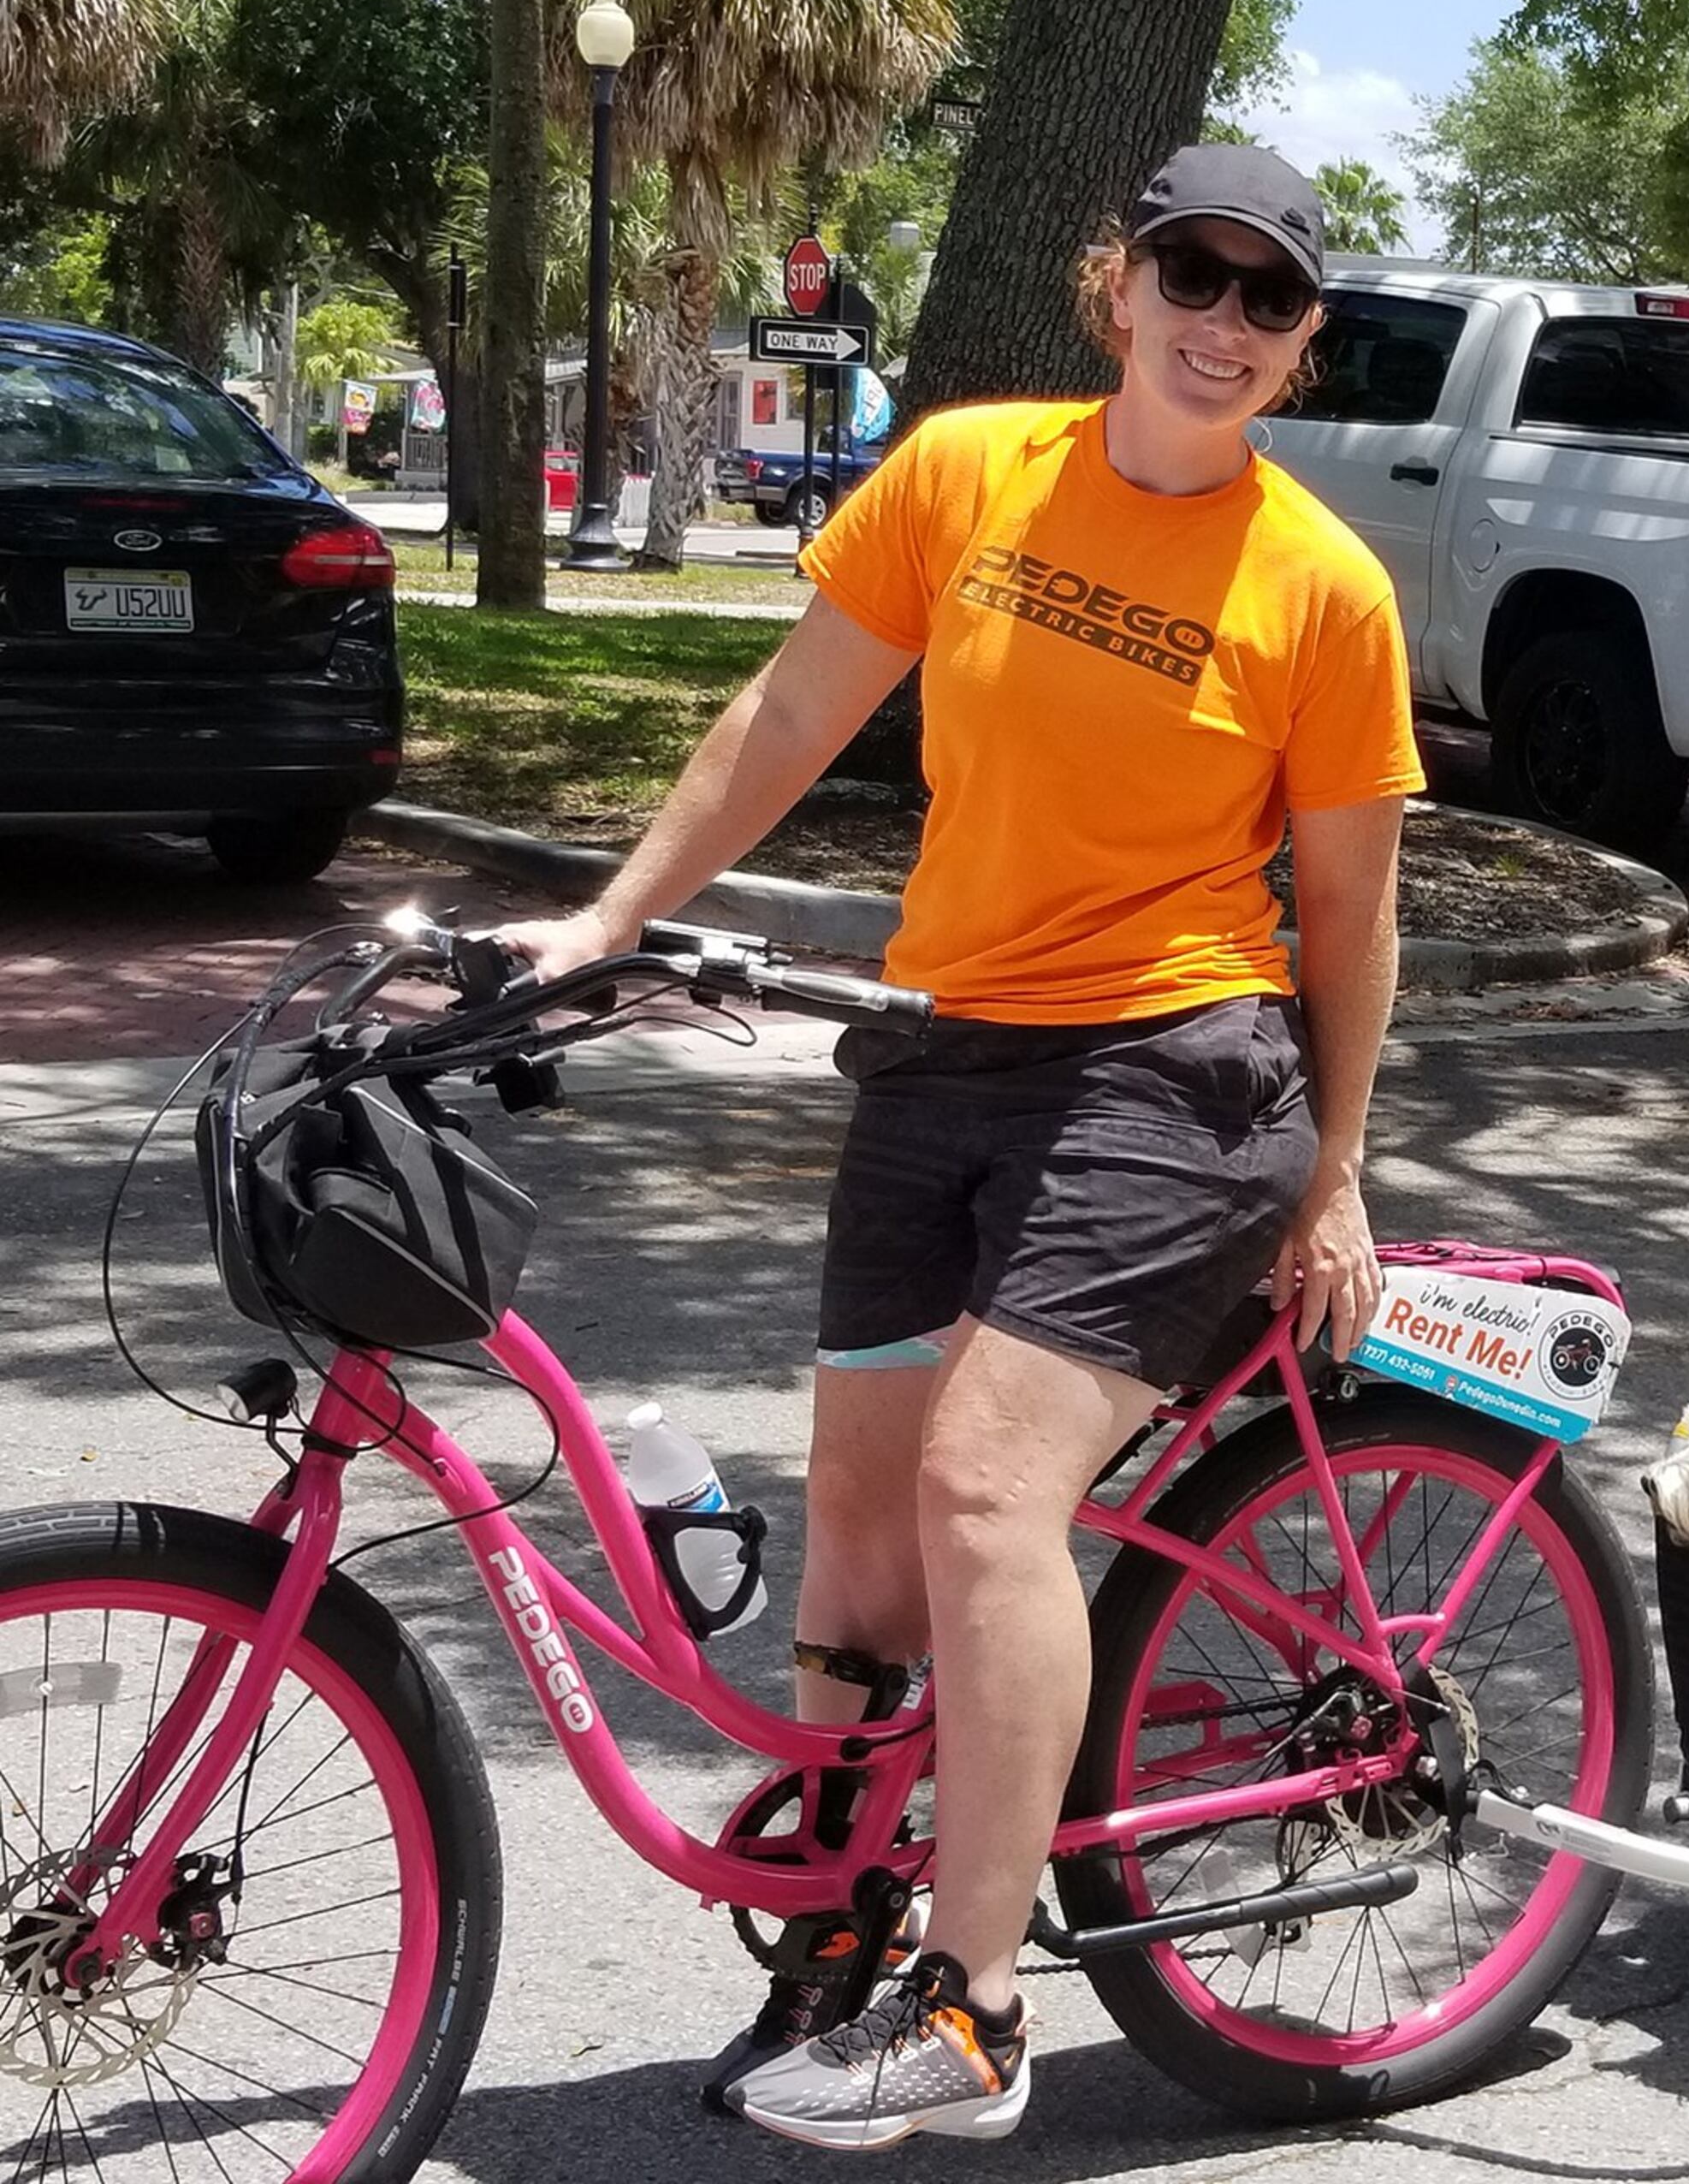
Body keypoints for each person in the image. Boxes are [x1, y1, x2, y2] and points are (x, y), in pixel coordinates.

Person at [496, 145, 1422, 2151]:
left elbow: (1351, 911)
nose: (1225, 322)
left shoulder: (1320, 588)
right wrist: (611, 918)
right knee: (855, 1519)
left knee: (987, 1493)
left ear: (1303, 344)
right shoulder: (967, 472)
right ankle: (840, 1936)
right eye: (1197, 271)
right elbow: (788, 708)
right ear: (1123, 276)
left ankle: (975, 2003)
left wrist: (1336, 1172)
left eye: (1272, 301)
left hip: (1180, 1076)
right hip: (944, 1053)